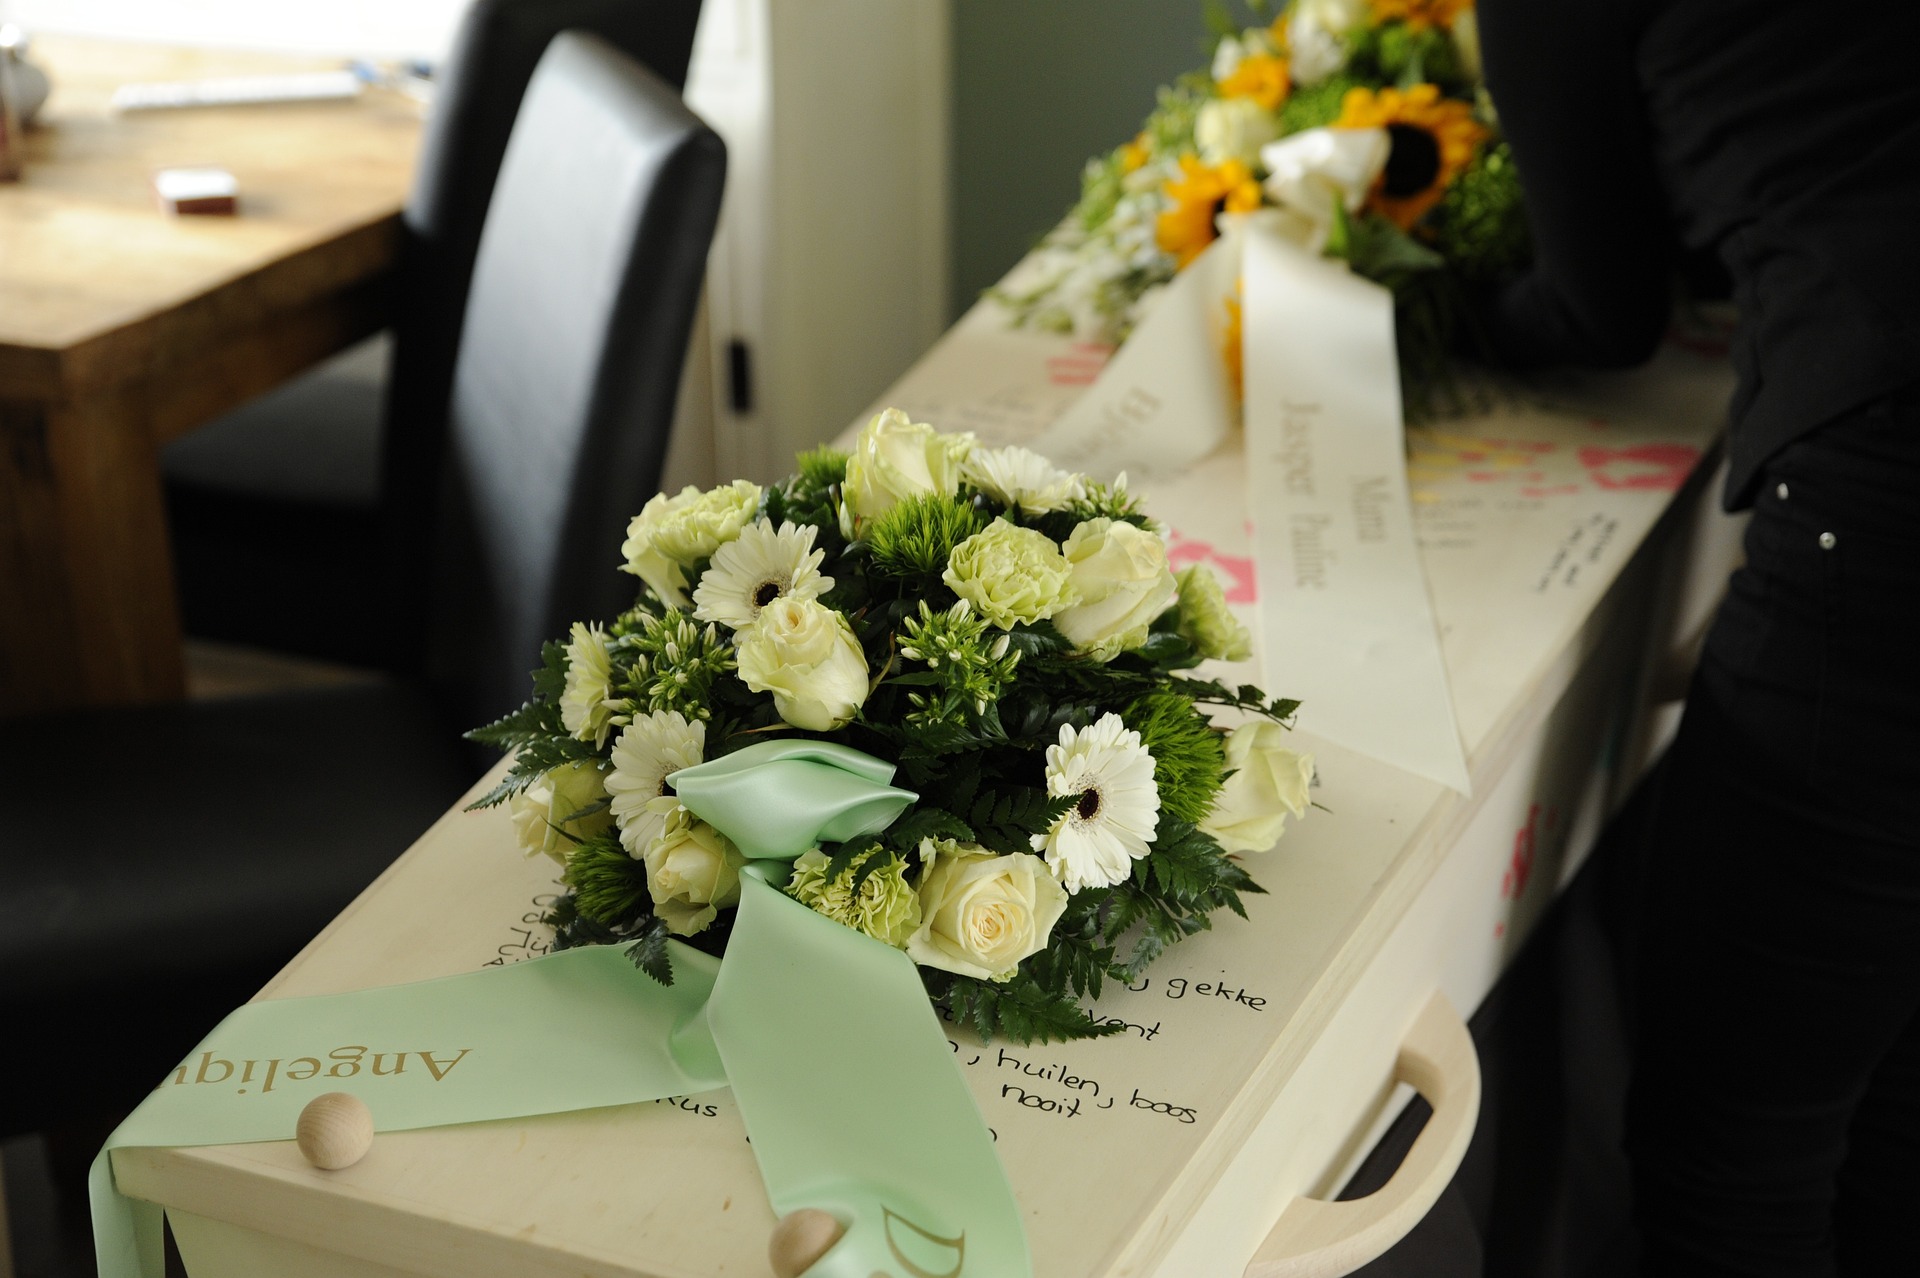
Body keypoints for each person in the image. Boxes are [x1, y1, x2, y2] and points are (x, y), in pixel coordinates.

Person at [1472, 1, 1920, 1275]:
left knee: (1739, 1163)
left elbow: (1602, 310)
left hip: (1889, 531)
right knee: (1897, 1108)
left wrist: (1419, 318)